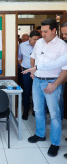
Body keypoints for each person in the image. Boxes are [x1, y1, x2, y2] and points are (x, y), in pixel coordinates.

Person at [27, 19, 67, 157]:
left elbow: (65, 69)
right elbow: (33, 57)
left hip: (52, 83)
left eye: (45, 31)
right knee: (38, 110)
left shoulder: (62, 46)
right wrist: (33, 71)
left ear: (54, 30)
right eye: (41, 31)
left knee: (55, 115)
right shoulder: (39, 42)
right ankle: (40, 134)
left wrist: (55, 85)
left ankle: (55, 143)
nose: (42, 34)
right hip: (37, 81)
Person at [18, 30, 40, 120]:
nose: (36, 42)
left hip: (38, 71)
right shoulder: (22, 45)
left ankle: (36, 110)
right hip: (26, 71)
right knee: (26, 92)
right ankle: (26, 110)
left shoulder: (41, 46)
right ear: (29, 38)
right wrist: (22, 66)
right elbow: (19, 57)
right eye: (34, 39)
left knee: (37, 92)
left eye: (38, 39)